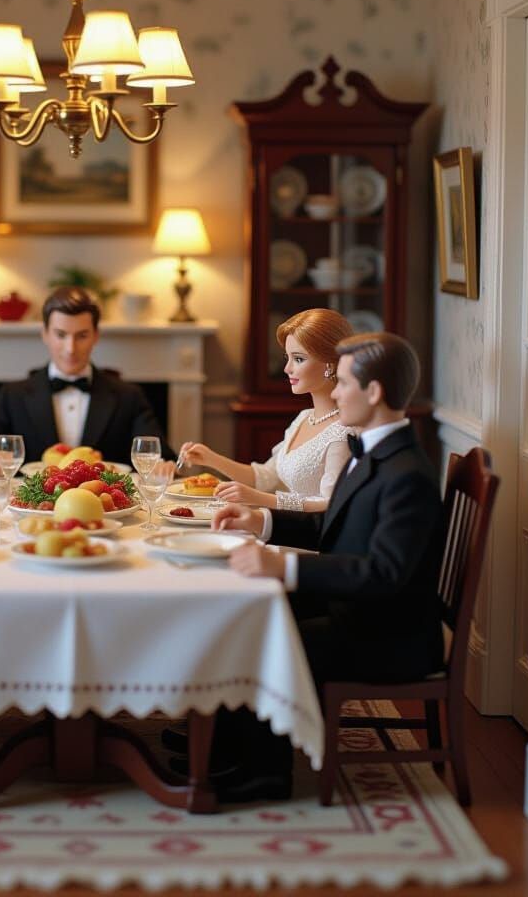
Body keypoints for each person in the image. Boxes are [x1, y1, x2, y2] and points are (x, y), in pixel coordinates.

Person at [177, 332, 445, 801]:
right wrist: (260, 521)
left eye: (342, 384)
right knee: (244, 612)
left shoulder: (406, 476)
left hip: (387, 633)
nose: (336, 394)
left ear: (374, 392)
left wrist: (287, 571)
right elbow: (330, 528)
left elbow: (385, 575)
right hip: (358, 609)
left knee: (267, 630)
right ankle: (228, 749)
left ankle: (264, 773)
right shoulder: (375, 451)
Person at [0, 286, 176, 474]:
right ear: (45, 334)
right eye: (61, 335)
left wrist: (163, 466)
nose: (70, 348)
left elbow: (162, 455)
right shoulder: (13, 394)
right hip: (32, 508)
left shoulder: (128, 396)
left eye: (82, 336)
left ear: (96, 335)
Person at [179, 308, 354, 512]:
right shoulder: (304, 418)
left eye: (298, 359)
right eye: (287, 357)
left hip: (308, 539)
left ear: (331, 364)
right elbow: (266, 477)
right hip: (279, 524)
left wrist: (261, 499)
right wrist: (211, 459)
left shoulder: (342, 433)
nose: (287, 368)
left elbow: (331, 505)